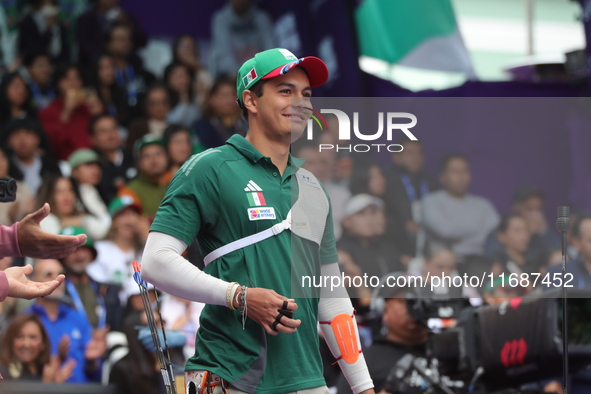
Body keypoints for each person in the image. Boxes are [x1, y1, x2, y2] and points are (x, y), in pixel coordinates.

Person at [142, 48, 374, 394]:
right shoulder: (209, 168)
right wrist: (240, 296)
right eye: (285, 91)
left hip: (307, 380)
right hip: (229, 377)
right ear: (250, 100)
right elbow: (155, 263)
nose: (300, 103)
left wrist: (364, 387)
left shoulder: (313, 189)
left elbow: (332, 296)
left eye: (306, 94)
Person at [26, 258, 108, 383]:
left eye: (60, 274)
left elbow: (95, 373)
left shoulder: (77, 318)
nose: (57, 280)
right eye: (49, 274)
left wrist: (92, 361)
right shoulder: (25, 320)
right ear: (33, 280)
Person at [421, 153, 500, 262]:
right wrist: (478, 228)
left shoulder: (483, 205)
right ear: (443, 177)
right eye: (455, 172)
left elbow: (496, 234)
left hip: (481, 260)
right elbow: (446, 231)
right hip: (445, 263)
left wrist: (459, 236)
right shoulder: (431, 201)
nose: (461, 176)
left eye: (465, 171)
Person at [38, 64, 104, 161]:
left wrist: (99, 114)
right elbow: (54, 144)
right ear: (58, 83)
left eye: (77, 78)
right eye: (67, 79)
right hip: (66, 162)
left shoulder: (88, 107)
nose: (73, 83)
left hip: (95, 158)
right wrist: (67, 111)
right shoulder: (47, 112)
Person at [387, 139, 439, 256]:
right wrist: (403, 224)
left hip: (428, 235)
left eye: (419, 153)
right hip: (398, 239)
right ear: (396, 156)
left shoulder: (431, 182)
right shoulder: (387, 179)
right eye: (410, 153)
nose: (416, 158)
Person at [77, 0, 148, 72]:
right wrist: (107, 61)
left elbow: (143, 41)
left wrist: (128, 24)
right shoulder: (86, 19)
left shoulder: (125, 17)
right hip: (94, 66)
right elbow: (85, 46)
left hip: (127, 64)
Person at [0, 313, 75, 382]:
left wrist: (57, 387)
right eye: (20, 337)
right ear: (10, 341)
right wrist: (46, 387)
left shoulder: (47, 370)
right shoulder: (3, 372)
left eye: (33, 337)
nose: (26, 344)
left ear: (43, 343)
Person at [209, 0, 275, 76]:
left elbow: (270, 52)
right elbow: (224, 54)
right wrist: (241, 76)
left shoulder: (262, 18)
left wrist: (258, 74)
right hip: (233, 78)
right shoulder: (220, 19)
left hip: (260, 75)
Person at [59, 226, 107, 330]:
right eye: (72, 250)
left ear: (91, 254)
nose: (79, 256)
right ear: (61, 256)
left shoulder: (107, 290)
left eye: (84, 249)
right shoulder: (56, 292)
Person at [37, 175, 110, 240]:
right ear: (49, 196)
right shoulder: (43, 220)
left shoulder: (81, 217)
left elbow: (106, 231)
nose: (66, 196)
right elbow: (55, 241)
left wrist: (82, 222)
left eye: (70, 190)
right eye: (59, 191)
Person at [1, 117, 61, 195]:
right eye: (16, 135)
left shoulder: (50, 165)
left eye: (28, 133)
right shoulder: (5, 167)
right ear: (9, 141)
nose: (22, 140)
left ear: (37, 139)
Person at [118, 136, 172, 219]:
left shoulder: (178, 181)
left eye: (158, 154)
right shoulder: (129, 191)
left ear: (167, 157)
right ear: (138, 163)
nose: (154, 160)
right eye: (147, 156)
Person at [89, 113, 136, 205]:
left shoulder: (134, 157)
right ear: (93, 138)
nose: (110, 135)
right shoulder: (91, 165)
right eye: (103, 131)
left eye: (114, 129)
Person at [193, 76, 247, 149]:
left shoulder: (246, 121)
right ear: (212, 98)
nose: (230, 100)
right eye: (224, 95)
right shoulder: (202, 126)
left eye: (233, 94)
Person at [17, 0, 69, 65]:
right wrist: (48, 29)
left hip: (57, 65)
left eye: (51, 4)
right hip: (35, 64)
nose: (48, 7)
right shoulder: (28, 22)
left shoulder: (59, 24)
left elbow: (64, 50)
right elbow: (33, 49)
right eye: (45, 4)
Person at [88, 53, 131, 127]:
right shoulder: (89, 93)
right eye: (104, 68)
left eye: (112, 67)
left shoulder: (121, 92)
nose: (109, 72)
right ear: (95, 70)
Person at [126, 85, 170, 155]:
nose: (159, 106)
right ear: (146, 105)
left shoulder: (174, 128)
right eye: (154, 103)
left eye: (163, 102)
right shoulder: (137, 127)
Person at [68, 148, 110, 222]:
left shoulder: (101, 191)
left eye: (98, 166)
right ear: (74, 171)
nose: (96, 169)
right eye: (89, 165)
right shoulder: (69, 195)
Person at [171, 34, 213, 108]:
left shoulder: (199, 71)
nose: (189, 50)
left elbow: (211, 87)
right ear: (176, 50)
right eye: (184, 46)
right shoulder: (169, 70)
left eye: (192, 46)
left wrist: (198, 68)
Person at [163, 62, 200, 128]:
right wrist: (183, 104)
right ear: (168, 80)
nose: (184, 79)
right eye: (179, 76)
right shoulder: (163, 98)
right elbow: (171, 123)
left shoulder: (193, 96)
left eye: (186, 75)